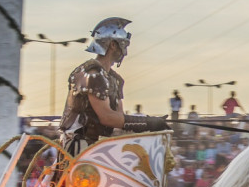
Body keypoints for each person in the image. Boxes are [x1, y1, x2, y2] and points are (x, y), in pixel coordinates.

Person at [58, 18, 167, 156]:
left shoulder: (115, 80)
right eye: (123, 45)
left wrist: (151, 123)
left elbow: (118, 118)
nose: (125, 52)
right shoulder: (91, 73)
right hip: (78, 146)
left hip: (100, 145)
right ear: (113, 45)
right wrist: (147, 123)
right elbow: (107, 117)